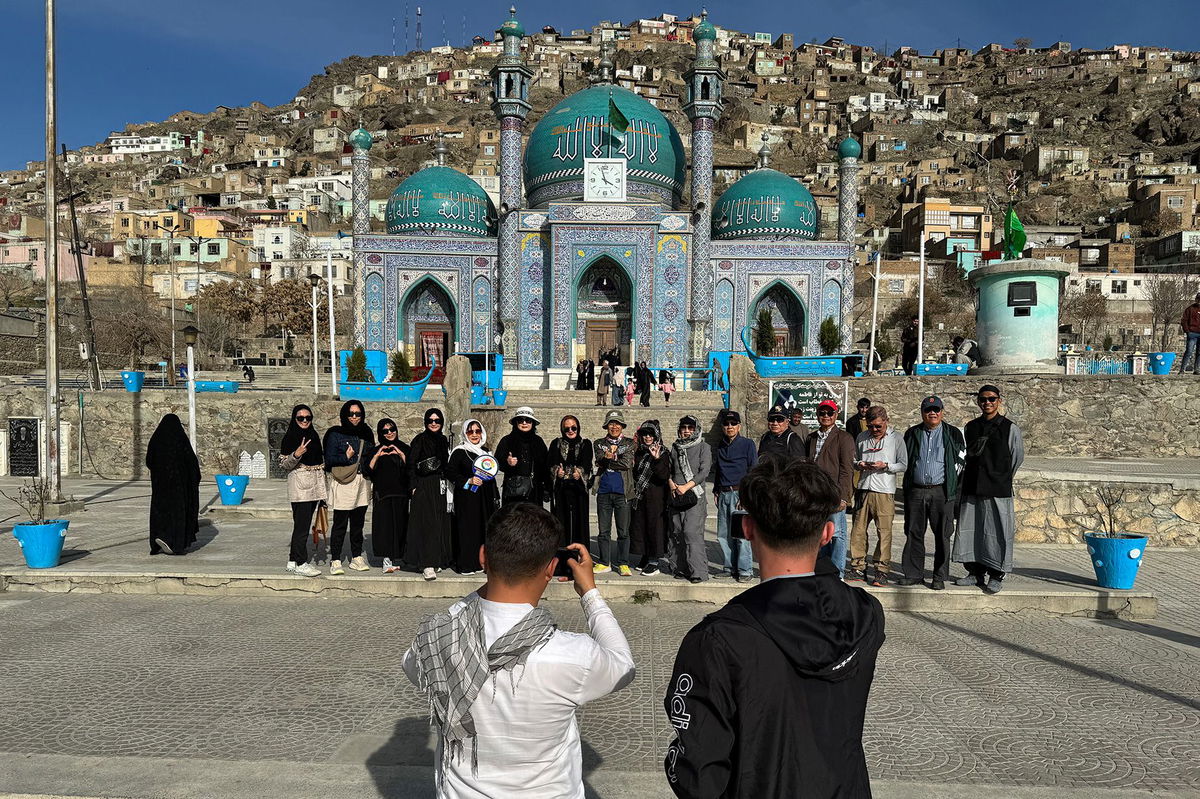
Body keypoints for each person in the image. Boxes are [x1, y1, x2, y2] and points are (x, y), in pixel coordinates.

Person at [662, 458, 885, 798]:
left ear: (748, 529)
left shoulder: (718, 640)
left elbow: (699, 774)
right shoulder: (867, 614)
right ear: (827, 533)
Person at [404, 503, 634, 798]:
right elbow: (623, 664)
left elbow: (412, 664)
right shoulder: (571, 655)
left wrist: (473, 599)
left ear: (483, 556)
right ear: (551, 568)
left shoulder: (439, 639)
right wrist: (590, 593)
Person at [953, 385, 1025, 594]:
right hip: (973, 486)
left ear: (999, 401)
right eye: (983, 399)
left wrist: (1000, 476)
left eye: (992, 399)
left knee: (997, 532)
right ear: (978, 402)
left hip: (998, 487)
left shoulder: (1010, 428)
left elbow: (1017, 457)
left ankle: (996, 574)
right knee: (972, 531)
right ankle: (975, 572)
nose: (987, 403)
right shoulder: (970, 427)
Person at [899, 396, 965, 591]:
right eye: (928, 410)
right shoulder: (912, 433)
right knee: (913, 533)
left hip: (941, 491)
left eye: (936, 409)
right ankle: (913, 574)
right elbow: (906, 459)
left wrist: (954, 490)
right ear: (922, 412)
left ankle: (939, 575)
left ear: (942, 411)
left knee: (942, 535)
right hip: (917, 491)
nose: (932, 413)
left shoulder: (952, 433)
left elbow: (961, 462)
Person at [850, 405, 907, 586]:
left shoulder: (896, 438)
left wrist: (886, 465)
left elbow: (904, 464)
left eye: (878, 426)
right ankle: (858, 566)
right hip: (864, 488)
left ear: (886, 422)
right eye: (870, 426)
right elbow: (854, 460)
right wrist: (860, 464)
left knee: (884, 533)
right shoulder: (861, 437)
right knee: (858, 531)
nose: (874, 430)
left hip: (884, 491)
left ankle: (881, 570)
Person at [322, 400, 375, 575]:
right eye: (351, 414)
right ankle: (336, 559)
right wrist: (346, 457)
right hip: (344, 481)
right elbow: (329, 460)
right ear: (345, 414)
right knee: (340, 522)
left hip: (362, 481)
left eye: (358, 414)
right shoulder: (335, 433)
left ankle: (356, 557)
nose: (354, 417)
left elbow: (370, 456)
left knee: (358, 523)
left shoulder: (366, 432)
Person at [806, 399, 855, 579]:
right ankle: (822, 570)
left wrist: (843, 497)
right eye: (822, 413)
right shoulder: (811, 438)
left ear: (836, 415)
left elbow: (846, 469)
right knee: (819, 534)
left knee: (837, 535)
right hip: (815, 494)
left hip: (834, 494)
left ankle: (837, 573)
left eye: (829, 413)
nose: (825, 416)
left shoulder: (844, 438)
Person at [278, 404, 325, 576]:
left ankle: (292, 560)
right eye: (300, 418)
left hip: (314, 487)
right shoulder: (290, 438)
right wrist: (296, 454)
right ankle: (301, 562)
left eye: (308, 418)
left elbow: (319, 463)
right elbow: (284, 465)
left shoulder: (313, 435)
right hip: (300, 488)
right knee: (302, 527)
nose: (305, 421)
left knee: (301, 525)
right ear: (294, 419)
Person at [446, 418, 498, 575]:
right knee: (468, 530)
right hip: (467, 497)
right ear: (464, 433)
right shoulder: (460, 452)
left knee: (484, 528)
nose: (474, 434)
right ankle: (467, 564)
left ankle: (483, 563)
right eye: (470, 431)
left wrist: (495, 495)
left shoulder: (486, 452)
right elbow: (450, 472)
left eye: (477, 431)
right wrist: (468, 480)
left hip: (485, 497)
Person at [145, 413, 200, 556]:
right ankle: (174, 543)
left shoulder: (156, 439)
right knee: (177, 515)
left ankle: (159, 537)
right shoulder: (180, 440)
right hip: (179, 488)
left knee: (159, 513)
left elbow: (149, 460)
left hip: (160, 487)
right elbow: (192, 464)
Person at [714, 409, 758, 582]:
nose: (729, 426)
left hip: (739, 494)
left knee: (741, 535)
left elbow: (752, 470)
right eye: (726, 424)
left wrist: (746, 494)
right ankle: (729, 567)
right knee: (723, 534)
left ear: (739, 426)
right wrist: (716, 490)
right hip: (723, 494)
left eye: (733, 424)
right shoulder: (721, 445)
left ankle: (745, 570)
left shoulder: (747, 444)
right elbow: (718, 470)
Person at [362, 418, 411, 574]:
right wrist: (378, 455)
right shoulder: (375, 450)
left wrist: (401, 454)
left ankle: (401, 557)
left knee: (401, 525)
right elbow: (367, 471)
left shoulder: (405, 448)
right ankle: (387, 559)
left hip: (401, 493)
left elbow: (411, 469)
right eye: (385, 431)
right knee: (384, 527)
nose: (389, 433)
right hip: (382, 494)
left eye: (392, 430)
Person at [667, 415, 711, 583]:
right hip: (676, 495)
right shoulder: (675, 447)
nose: (686, 431)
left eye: (690, 428)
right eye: (684, 428)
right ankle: (680, 568)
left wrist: (686, 486)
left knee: (691, 532)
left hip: (695, 495)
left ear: (696, 429)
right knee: (677, 532)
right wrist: (672, 484)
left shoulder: (703, 447)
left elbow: (704, 471)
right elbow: (669, 469)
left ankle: (698, 571)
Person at [409, 407, 452, 581]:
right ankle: (427, 564)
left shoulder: (443, 440)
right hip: (425, 484)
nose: (434, 424)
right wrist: (413, 486)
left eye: (437, 421)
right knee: (427, 524)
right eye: (430, 421)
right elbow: (411, 464)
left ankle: (437, 559)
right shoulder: (420, 440)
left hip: (440, 484)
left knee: (439, 523)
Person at [592, 409, 634, 576]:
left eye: (617, 423)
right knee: (603, 531)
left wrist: (611, 459)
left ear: (622, 426)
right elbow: (599, 460)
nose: (614, 426)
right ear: (606, 426)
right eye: (611, 423)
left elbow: (627, 463)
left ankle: (623, 563)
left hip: (623, 493)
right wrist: (607, 459)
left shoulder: (630, 443)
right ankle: (604, 562)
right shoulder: (598, 442)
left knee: (623, 531)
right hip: (603, 492)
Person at [630, 419, 671, 575]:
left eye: (651, 434)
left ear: (656, 435)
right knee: (641, 526)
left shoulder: (663, 452)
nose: (648, 437)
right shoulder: (640, 451)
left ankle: (654, 561)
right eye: (645, 434)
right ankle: (645, 555)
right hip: (641, 496)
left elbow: (663, 475)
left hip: (656, 497)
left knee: (655, 528)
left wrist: (656, 459)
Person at [547, 414, 593, 548]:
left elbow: (587, 463)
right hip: (561, 489)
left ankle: (580, 553)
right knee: (560, 521)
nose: (570, 431)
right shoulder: (556, 443)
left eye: (573, 427)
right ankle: (561, 552)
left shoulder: (585, 444)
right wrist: (557, 471)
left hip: (578, 489)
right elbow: (550, 463)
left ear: (578, 428)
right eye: (567, 429)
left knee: (580, 521)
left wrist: (580, 472)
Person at [495, 407, 550, 506]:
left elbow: (545, 466)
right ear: (516, 423)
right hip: (513, 490)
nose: (524, 423)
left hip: (534, 490)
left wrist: (547, 488)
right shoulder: (507, 441)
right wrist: (507, 462)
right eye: (521, 420)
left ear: (532, 423)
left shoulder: (538, 442)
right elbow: (497, 462)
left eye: (528, 420)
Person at [1179, 293, 1200, 374]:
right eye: (1198, 299)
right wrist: (1187, 331)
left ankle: (1196, 369)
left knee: (1199, 353)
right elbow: (1184, 321)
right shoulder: (1190, 309)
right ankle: (1182, 370)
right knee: (1189, 351)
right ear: (1196, 299)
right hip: (1192, 333)